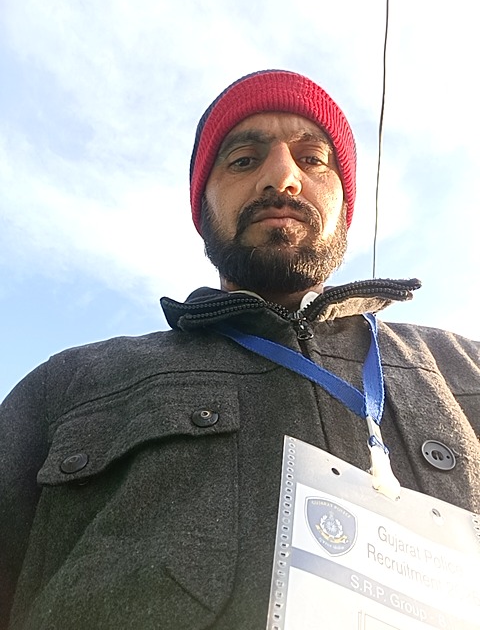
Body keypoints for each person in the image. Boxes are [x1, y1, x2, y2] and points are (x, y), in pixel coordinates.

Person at [1, 70, 479, 630]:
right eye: (244, 160)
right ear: (202, 208)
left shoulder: (466, 371)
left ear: (346, 205)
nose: (282, 176)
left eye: (313, 159)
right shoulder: (72, 384)